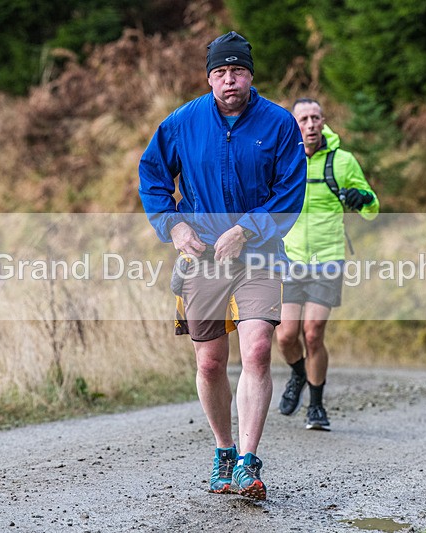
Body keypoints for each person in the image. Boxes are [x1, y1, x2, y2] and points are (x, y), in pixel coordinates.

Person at [138, 31, 306, 500]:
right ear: (209, 77)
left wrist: (248, 229)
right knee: (210, 362)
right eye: (220, 72)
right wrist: (173, 226)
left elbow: (292, 194)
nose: (229, 80)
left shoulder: (278, 124)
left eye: (237, 71)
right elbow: (152, 176)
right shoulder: (181, 123)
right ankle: (224, 452)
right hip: (204, 259)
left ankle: (248, 463)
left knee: (255, 350)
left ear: (251, 75)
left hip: (259, 255)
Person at [275, 98, 379, 430]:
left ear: (323, 122)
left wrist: (360, 198)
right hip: (289, 258)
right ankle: (297, 374)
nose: (310, 124)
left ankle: (316, 407)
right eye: (303, 118)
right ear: (294, 123)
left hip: (327, 258)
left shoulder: (343, 161)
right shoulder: (283, 159)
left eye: (315, 117)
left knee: (313, 331)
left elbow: (372, 207)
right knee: (285, 336)